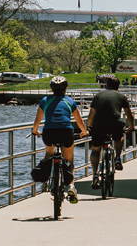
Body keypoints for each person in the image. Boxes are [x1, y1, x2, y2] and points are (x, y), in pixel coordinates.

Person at [31, 76, 88, 204]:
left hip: (49, 133)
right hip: (66, 132)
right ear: (65, 88)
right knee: (69, 160)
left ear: (51, 88)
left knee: (49, 153)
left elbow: (38, 120)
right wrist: (84, 132)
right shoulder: (70, 101)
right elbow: (79, 120)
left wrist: (35, 131)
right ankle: (71, 186)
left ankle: (45, 183)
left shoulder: (45, 100)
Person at [88, 75, 135, 189]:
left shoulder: (98, 96)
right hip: (115, 124)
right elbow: (129, 113)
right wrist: (131, 126)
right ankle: (118, 158)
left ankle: (95, 175)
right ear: (118, 87)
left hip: (98, 125)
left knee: (95, 149)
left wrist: (88, 126)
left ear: (106, 85)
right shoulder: (121, 96)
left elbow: (92, 113)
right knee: (118, 138)